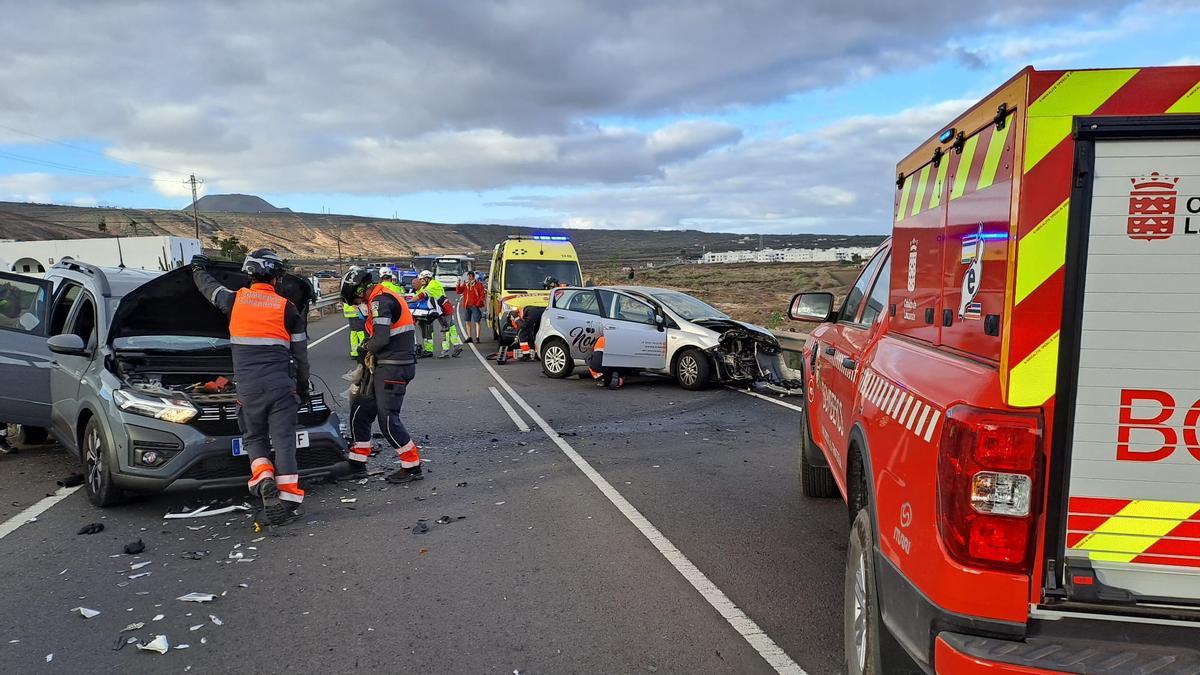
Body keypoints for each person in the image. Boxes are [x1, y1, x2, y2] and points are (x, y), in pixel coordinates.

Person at [191, 249, 309, 526]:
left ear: (249, 274)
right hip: (281, 385)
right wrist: (302, 387)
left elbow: (209, 288)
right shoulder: (287, 308)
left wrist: (198, 269)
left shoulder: (234, 300)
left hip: (249, 388)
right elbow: (302, 356)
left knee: (254, 438)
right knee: (284, 442)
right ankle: (289, 502)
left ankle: (264, 478)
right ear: (276, 278)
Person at [340, 267, 423, 484]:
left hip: (394, 367)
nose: (358, 306)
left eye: (356, 301)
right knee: (361, 409)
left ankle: (412, 465)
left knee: (387, 419)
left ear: (360, 291)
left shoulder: (380, 301)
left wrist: (363, 348)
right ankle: (357, 462)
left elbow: (381, 338)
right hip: (384, 365)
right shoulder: (381, 297)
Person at [414, 270, 462, 358]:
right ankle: (457, 345)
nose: (421, 282)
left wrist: (410, 301)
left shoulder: (433, 285)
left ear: (427, 278)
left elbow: (421, 295)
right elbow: (421, 292)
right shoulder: (429, 284)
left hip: (444, 309)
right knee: (451, 328)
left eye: (422, 280)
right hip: (442, 308)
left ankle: (446, 351)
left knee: (445, 330)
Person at [456, 271, 486, 344]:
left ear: (473, 277)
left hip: (475, 305)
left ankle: (477, 337)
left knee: (477, 321)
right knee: (467, 321)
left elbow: (482, 295)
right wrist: (458, 284)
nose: (469, 278)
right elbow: (459, 291)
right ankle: (469, 337)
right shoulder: (466, 285)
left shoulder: (478, 285)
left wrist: (477, 304)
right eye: (468, 276)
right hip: (467, 305)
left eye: (470, 276)